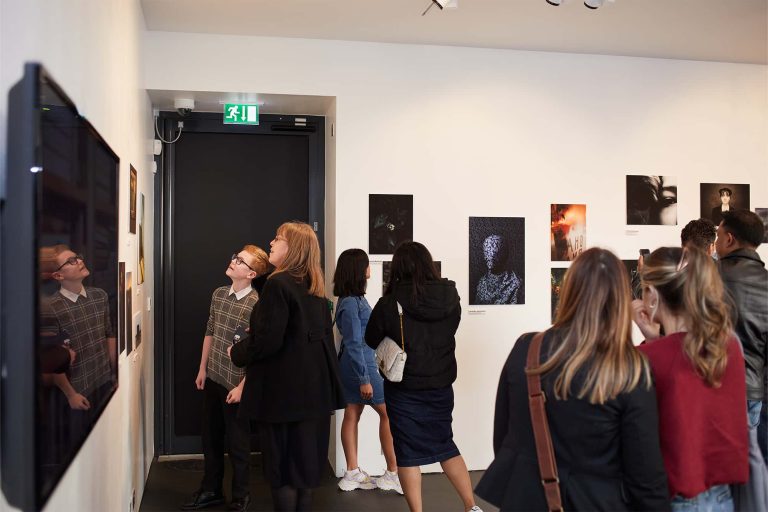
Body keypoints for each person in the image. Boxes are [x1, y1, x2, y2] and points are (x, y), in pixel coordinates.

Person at [475, 248, 669, 511]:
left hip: (527, 500)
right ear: (620, 299)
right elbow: (645, 475)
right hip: (598, 503)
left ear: (569, 290)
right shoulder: (630, 369)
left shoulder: (526, 348)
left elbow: (504, 437)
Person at [229, 222, 345, 512]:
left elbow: (268, 341)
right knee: (303, 475)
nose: (271, 242)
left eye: (278, 239)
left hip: (284, 398)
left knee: (282, 474)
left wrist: (237, 351)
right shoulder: (313, 284)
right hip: (313, 396)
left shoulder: (279, 284)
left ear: (292, 248)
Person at [365, 241, 481, 512]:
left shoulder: (389, 302)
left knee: (407, 452)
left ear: (398, 268)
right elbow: (449, 330)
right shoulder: (451, 299)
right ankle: (471, 506)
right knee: (445, 443)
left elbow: (371, 339)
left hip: (405, 387)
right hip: (441, 385)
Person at [633, 246, 749, 510]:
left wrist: (651, 340)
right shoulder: (727, 346)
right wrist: (655, 338)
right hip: (722, 495)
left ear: (652, 294)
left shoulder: (649, 357)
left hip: (678, 497)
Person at [181, 246, 271, 512]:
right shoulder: (219, 294)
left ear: (252, 273)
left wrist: (243, 387)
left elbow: (259, 352)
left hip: (237, 385)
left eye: (240, 261)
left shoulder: (258, 304)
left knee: (238, 444)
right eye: (235, 256)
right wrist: (202, 368)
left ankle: (241, 497)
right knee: (210, 438)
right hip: (214, 377)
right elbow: (210, 330)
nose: (233, 261)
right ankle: (211, 490)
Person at [333, 249, 402, 494]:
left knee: (353, 412)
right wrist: (364, 378)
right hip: (361, 365)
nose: (369, 267)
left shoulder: (353, 299)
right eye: (366, 264)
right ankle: (393, 473)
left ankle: (352, 472)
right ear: (358, 270)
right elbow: (352, 343)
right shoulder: (351, 303)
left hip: (358, 363)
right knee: (387, 413)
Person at [715, 210, 768, 462]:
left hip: (715, 388)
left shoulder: (710, 277)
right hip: (754, 393)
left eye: (717, 235)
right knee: (749, 469)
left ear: (729, 239)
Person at [40, 245, 116, 418]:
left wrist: (114, 373)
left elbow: (108, 334)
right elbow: (53, 359)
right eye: (72, 261)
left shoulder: (99, 295)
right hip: (78, 392)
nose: (80, 261)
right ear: (58, 275)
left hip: (104, 383)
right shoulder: (51, 307)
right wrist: (71, 394)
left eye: (78, 257)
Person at [475, 234, 521, 305]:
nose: (491, 255)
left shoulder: (515, 284)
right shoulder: (482, 282)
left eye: (495, 249)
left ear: (504, 254)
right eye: (487, 249)